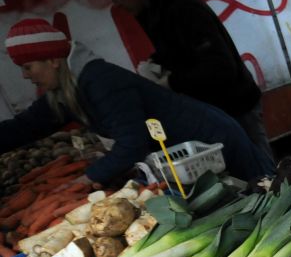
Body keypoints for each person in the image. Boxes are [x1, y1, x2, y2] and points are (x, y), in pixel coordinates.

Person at [0, 18, 274, 186]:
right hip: (184, 153)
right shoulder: (63, 92)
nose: (25, 76)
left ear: (53, 60)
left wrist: (89, 178)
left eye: (28, 67)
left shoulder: (99, 80)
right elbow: (26, 126)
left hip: (208, 139)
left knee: (263, 189)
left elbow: (133, 141)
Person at [92, 0, 275, 161]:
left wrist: (171, 82)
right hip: (212, 108)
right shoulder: (151, 8)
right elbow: (180, 49)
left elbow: (220, 66)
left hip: (235, 103)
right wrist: (157, 62)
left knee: (263, 171)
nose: (117, 5)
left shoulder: (183, 8)